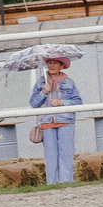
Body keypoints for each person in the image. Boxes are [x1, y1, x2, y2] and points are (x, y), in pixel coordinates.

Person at [30, 54, 83, 185]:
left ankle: (66, 182)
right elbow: (33, 103)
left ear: (61, 65)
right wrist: (43, 92)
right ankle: (52, 183)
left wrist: (62, 102)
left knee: (66, 152)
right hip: (47, 121)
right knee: (50, 155)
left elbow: (78, 101)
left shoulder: (69, 82)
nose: (52, 65)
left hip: (65, 120)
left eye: (55, 63)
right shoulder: (40, 82)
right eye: (50, 63)